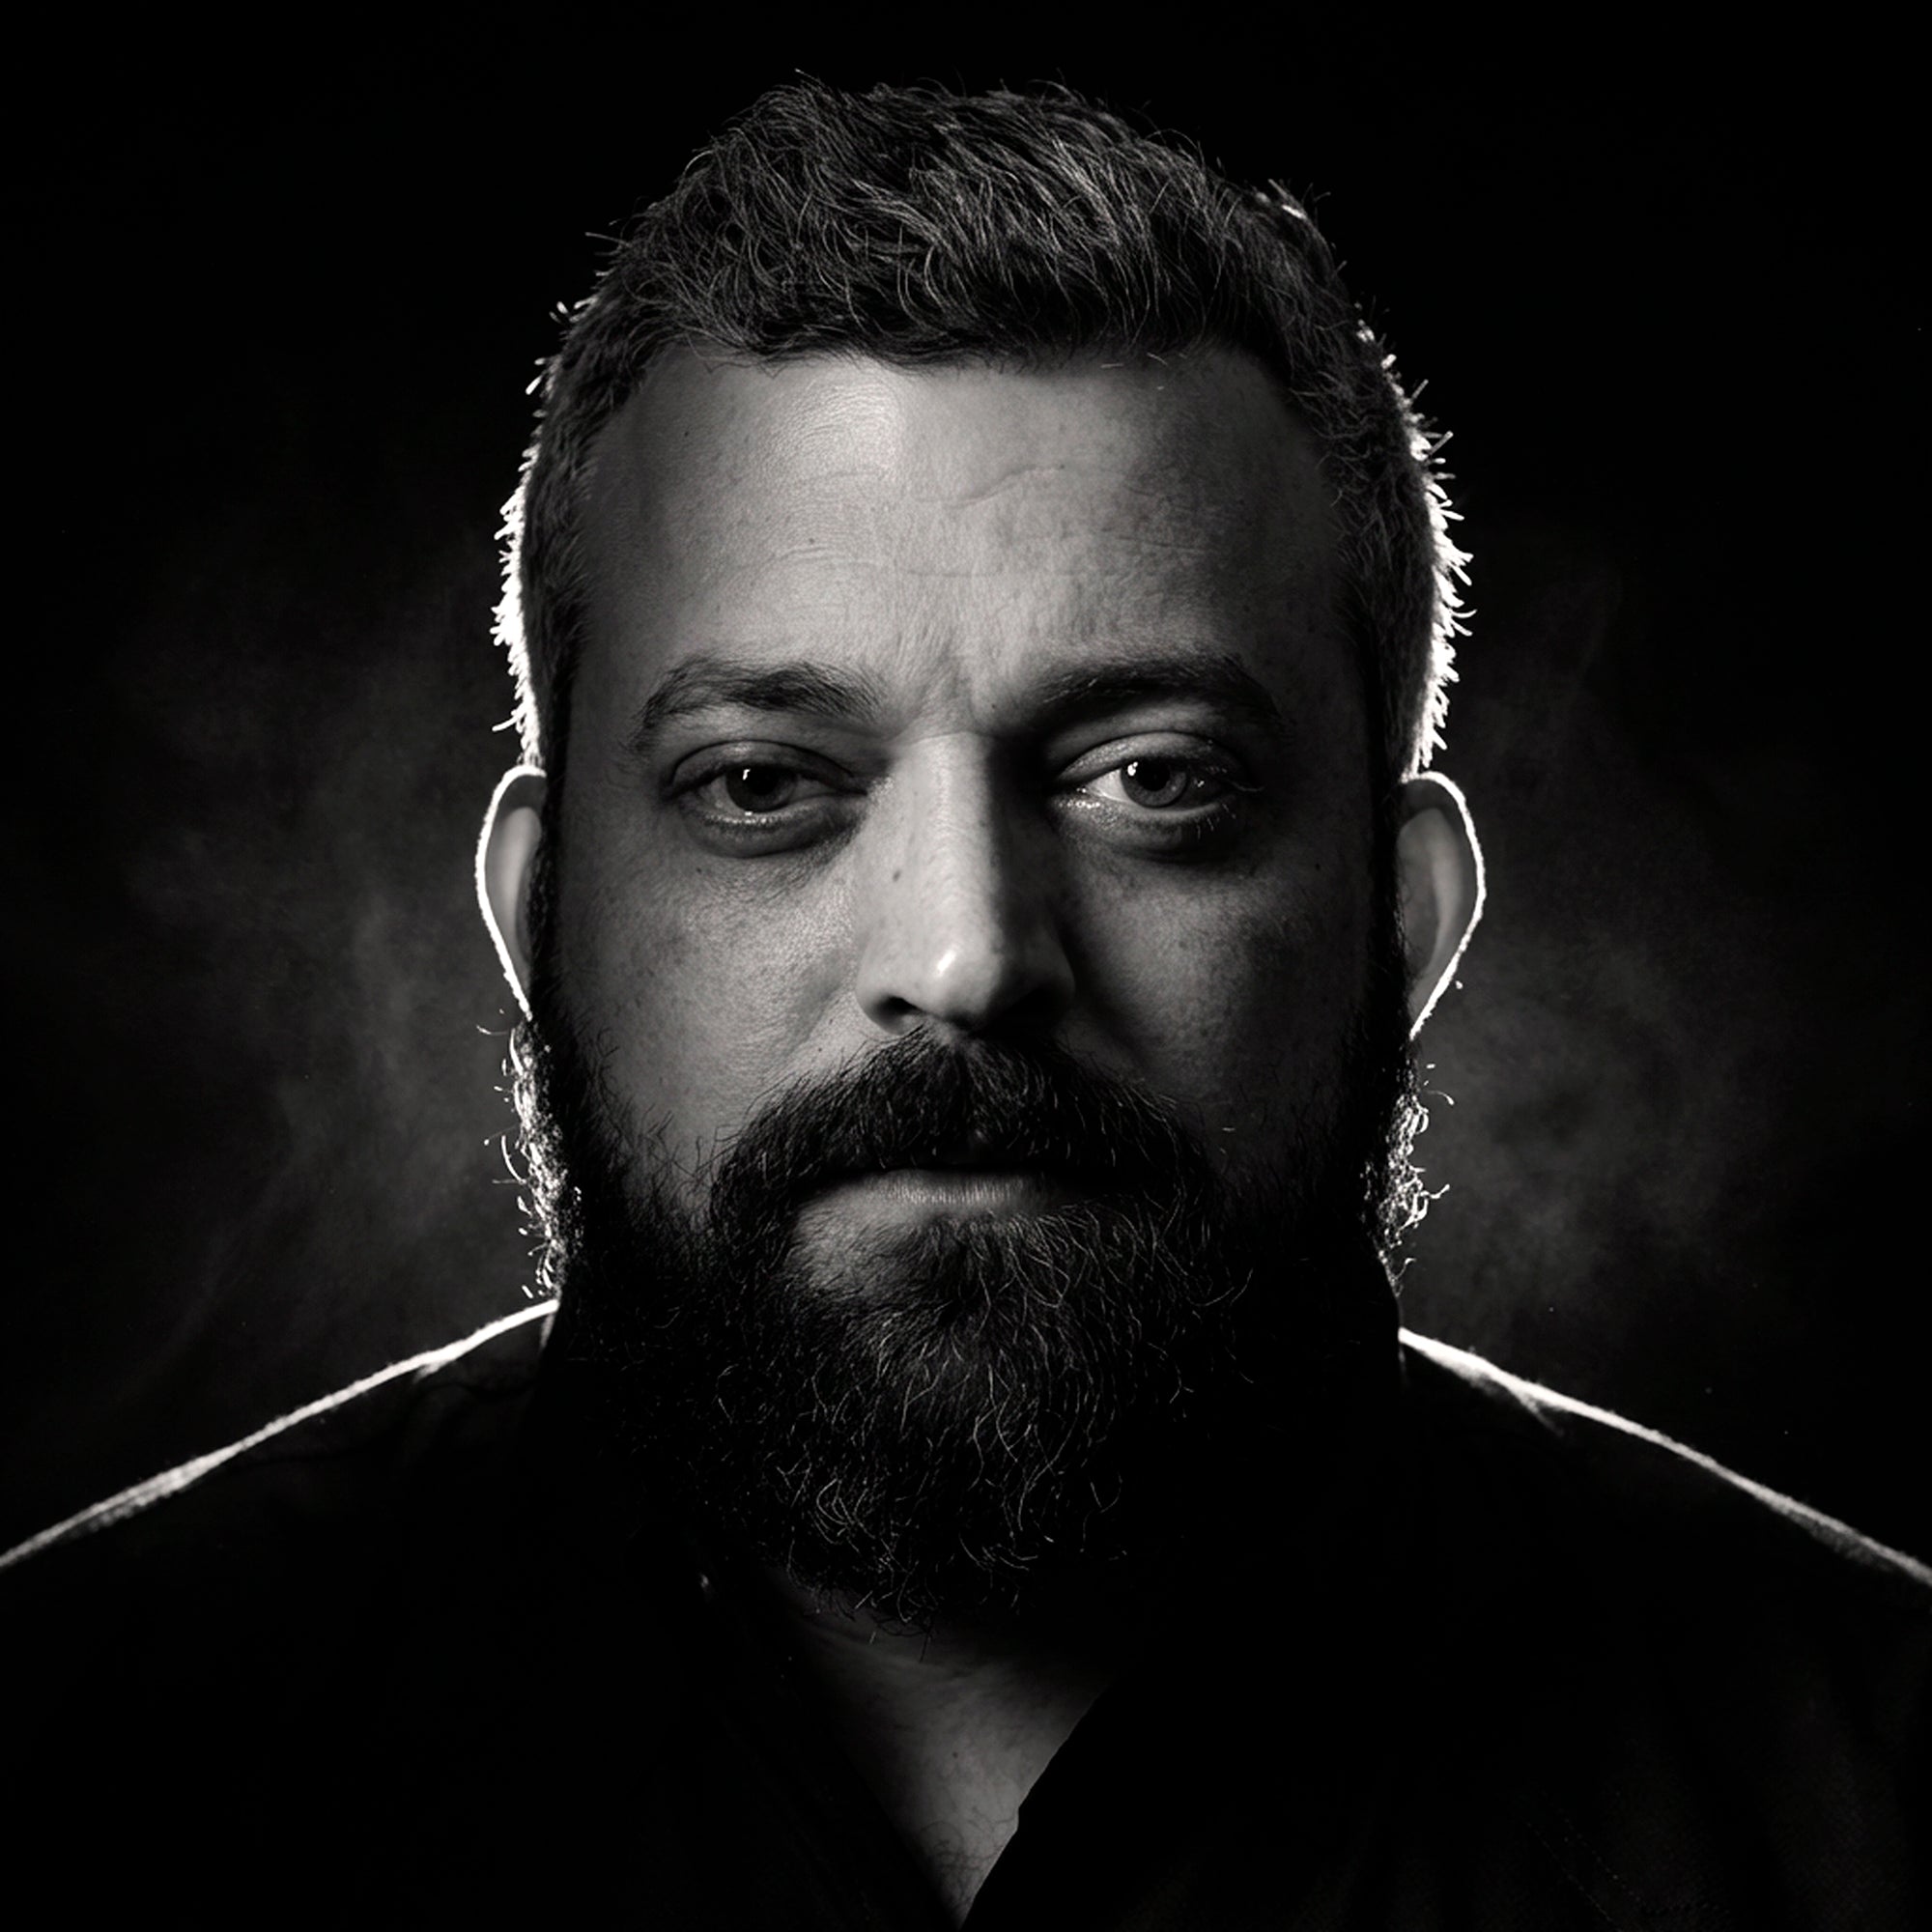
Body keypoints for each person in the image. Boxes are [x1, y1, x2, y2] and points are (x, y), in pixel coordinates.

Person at [4, 80, 1925, 1928]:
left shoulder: (1871, 1787)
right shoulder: (80, 1753)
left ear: (1403, 917)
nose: (967, 955)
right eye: (763, 782)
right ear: (539, 915)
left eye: (1154, 776)